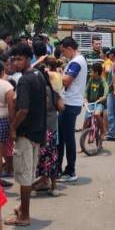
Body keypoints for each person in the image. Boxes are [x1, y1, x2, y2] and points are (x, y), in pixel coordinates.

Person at [5, 43, 46, 227]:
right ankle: (22, 209)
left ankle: (24, 216)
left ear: (28, 59)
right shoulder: (38, 75)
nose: (16, 62)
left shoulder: (24, 80)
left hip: (27, 133)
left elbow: (23, 109)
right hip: (37, 132)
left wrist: (13, 128)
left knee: (24, 176)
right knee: (28, 174)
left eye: (19, 58)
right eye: (14, 59)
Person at [56, 37, 87, 183]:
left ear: (69, 48)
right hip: (70, 102)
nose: (63, 54)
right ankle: (59, 169)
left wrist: (57, 75)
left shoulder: (76, 62)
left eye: (63, 51)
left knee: (67, 138)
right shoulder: (77, 60)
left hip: (70, 103)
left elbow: (67, 81)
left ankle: (70, 171)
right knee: (62, 137)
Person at [35, 60, 64, 196]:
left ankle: (39, 182)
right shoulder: (53, 91)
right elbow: (62, 107)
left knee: (38, 156)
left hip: (39, 128)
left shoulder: (37, 90)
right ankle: (53, 185)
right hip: (52, 127)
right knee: (52, 156)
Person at [84, 60, 109, 141]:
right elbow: (86, 90)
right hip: (91, 103)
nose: (90, 73)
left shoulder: (102, 80)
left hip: (99, 103)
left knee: (97, 114)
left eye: (92, 71)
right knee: (85, 123)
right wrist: (85, 98)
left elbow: (106, 88)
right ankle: (82, 144)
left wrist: (104, 96)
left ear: (97, 72)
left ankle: (103, 132)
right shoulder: (91, 79)